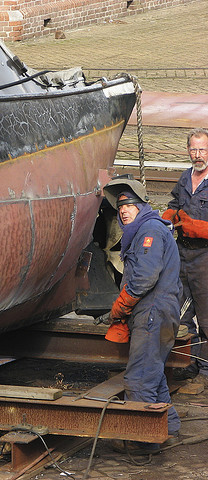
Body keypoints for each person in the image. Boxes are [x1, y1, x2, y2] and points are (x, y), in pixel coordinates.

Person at [103, 177, 182, 455]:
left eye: (130, 205)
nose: (124, 211)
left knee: (138, 378)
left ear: (142, 206)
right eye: (120, 207)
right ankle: (168, 429)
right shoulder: (144, 229)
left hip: (153, 311)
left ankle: (143, 440)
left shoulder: (149, 230)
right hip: (155, 311)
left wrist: (122, 303)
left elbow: (145, 277)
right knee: (153, 373)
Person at [162, 128, 208, 384]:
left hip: (205, 258)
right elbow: (174, 205)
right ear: (188, 150)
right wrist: (166, 218)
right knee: (181, 313)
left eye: (202, 149)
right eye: (193, 149)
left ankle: (206, 369)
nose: (197, 155)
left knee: (207, 315)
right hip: (182, 255)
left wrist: (198, 228)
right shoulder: (184, 177)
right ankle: (188, 363)